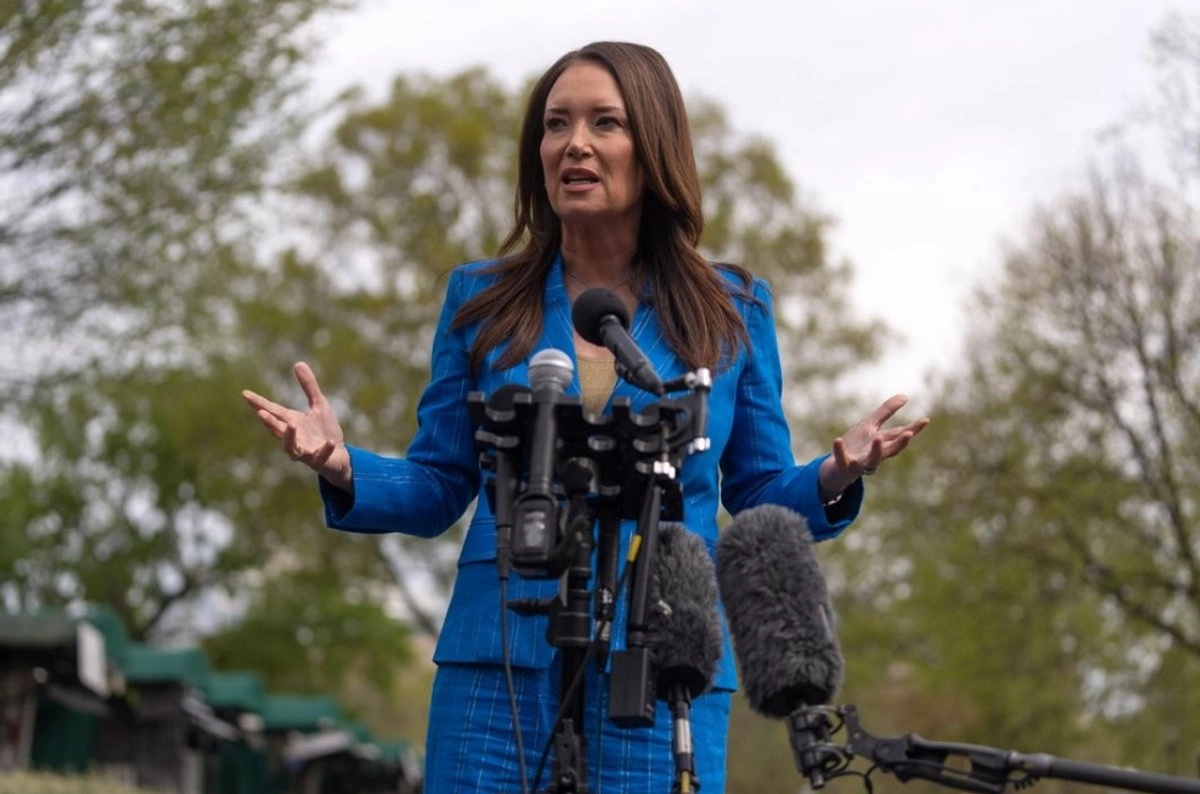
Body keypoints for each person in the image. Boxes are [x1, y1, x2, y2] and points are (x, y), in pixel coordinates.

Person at [242, 41, 928, 794]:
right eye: (556, 123)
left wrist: (834, 474)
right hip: (498, 659)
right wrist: (342, 465)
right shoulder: (481, 300)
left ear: (654, 145)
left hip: (663, 661)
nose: (574, 143)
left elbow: (758, 494)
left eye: (605, 122)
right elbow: (439, 482)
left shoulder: (731, 310)